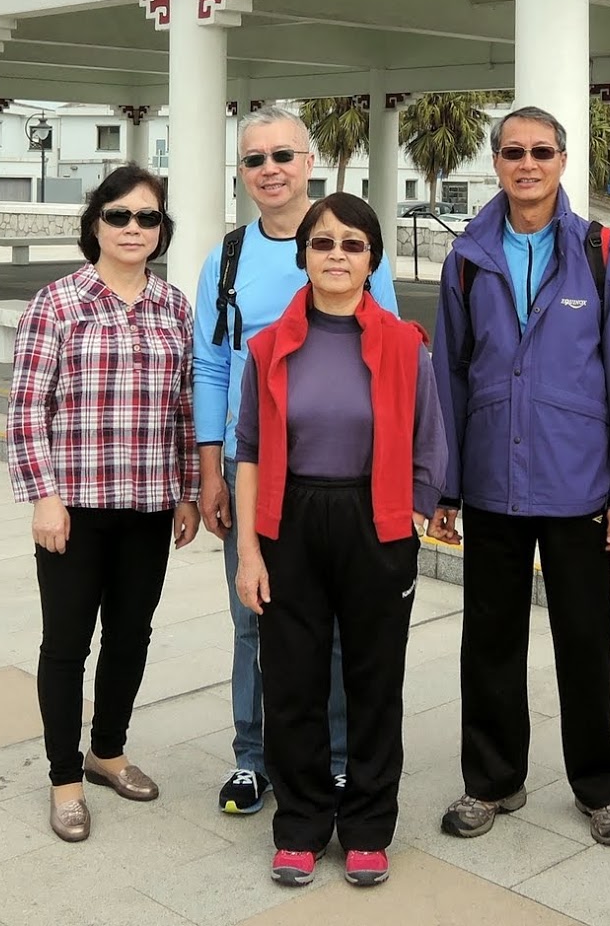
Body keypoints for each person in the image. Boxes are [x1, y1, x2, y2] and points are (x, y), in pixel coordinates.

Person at [429, 104, 610, 848]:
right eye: (514, 152)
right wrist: (446, 484)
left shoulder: (601, 252)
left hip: (578, 482)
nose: (528, 164)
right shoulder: (467, 257)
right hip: (493, 478)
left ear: (562, 160)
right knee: (489, 640)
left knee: (586, 642)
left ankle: (600, 788)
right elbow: (449, 375)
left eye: (542, 152)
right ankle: (492, 780)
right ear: (496, 162)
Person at [232, 193, 448, 889]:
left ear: (371, 260)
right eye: (322, 243)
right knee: (291, 681)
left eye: (353, 245)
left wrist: (411, 517)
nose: (336, 255)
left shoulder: (406, 345)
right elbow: (249, 450)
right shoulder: (268, 348)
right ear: (303, 256)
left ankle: (367, 828)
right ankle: (299, 825)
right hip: (290, 520)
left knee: (374, 683)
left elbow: (430, 441)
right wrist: (249, 553)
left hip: (374, 521)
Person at [194, 106, 401, 817]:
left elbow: (390, 357)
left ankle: (336, 760)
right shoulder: (226, 259)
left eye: (282, 155)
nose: (270, 170)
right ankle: (253, 757)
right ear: (242, 172)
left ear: (308, 161)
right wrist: (210, 469)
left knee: (337, 627)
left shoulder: (352, 246)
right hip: (253, 470)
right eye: (254, 159)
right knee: (254, 615)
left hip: (341, 478)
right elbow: (211, 367)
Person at [6, 165, 200, 844]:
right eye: (119, 216)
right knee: (66, 645)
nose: (133, 228)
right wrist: (44, 498)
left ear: (161, 230)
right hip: (75, 510)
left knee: (130, 636)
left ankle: (107, 752)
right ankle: (65, 779)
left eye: (148, 218)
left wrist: (188, 492)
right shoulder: (57, 303)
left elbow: (185, 408)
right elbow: (27, 410)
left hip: (148, 506)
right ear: (95, 224)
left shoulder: (175, 307)